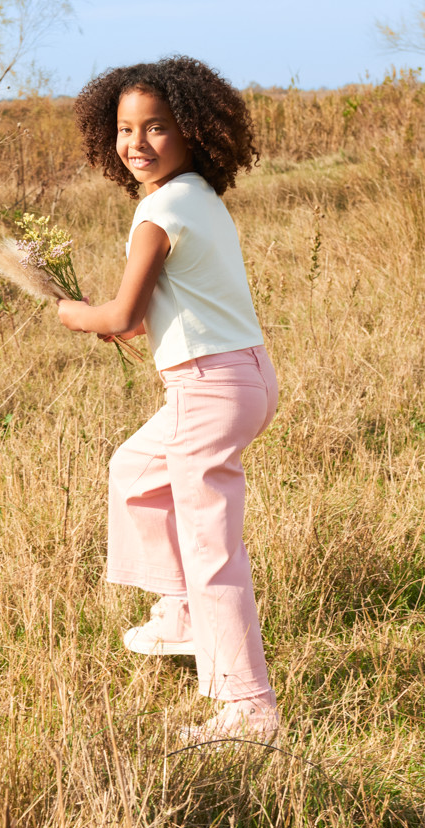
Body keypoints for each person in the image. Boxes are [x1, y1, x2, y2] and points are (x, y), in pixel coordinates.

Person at [57, 56, 280, 743]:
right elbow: (161, 306)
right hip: (243, 377)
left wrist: (72, 312)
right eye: (126, 129)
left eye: (157, 127)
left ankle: (249, 710)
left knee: (212, 547)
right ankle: (180, 613)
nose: (138, 143)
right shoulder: (197, 198)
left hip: (206, 389)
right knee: (133, 470)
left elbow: (122, 314)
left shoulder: (159, 209)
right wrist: (118, 317)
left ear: (193, 132)